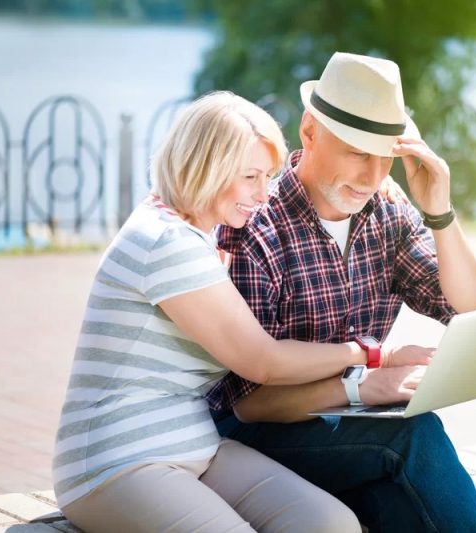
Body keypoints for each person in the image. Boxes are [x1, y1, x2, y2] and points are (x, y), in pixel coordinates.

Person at [51, 91, 431, 533]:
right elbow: (262, 361)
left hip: (195, 444)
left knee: (329, 523)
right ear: (204, 168)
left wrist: (374, 180)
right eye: (250, 176)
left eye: (268, 176)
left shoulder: (198, 236)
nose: (264, 193)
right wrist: (373, 356)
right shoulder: (164, 241)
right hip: (115, 460)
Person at [208, 53, 476, 532]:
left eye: (386, 156)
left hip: (347, 425)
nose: (372, 177)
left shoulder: (388, 213)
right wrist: (363, 385)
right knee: (412, 436)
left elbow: (467, 307)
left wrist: (441, 212)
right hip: (255, 434)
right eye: (357, 152)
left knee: (396, 497)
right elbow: (249, 401)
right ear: (309, 133)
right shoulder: (258, 227)